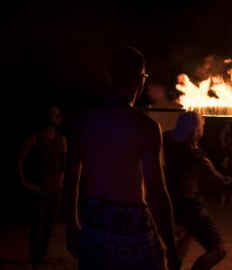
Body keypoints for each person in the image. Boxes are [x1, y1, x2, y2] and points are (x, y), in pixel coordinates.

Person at [64, 47, 180, 270]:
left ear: (110, 75)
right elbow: (156, 190)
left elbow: (70, 178)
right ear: (141, 79)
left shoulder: (84, 121)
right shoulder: (146, 127)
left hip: (95, 221)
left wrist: (72, 226)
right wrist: (172, 248)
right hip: (132, 227)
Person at [163, 112, 232, 269]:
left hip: (172, 201)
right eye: (202, 124)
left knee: (191, 233)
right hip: (189, 207)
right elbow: (228, 189)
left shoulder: (167, 139)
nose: (204, 124)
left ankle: (173, 265)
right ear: (196, 131)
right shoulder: (198, 161)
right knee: (218, 250)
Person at [17, 105, 67, 269]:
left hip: (55, 190)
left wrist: (62, 177)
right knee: (37, 225)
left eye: (58, 114)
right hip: (40, 190)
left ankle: (42, 256)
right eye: (54, 114)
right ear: (46, 116)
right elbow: (20, 159)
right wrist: (25, 182)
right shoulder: (36, 137)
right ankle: (35, 258)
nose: (57, 117)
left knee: (50, 225)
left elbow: (66, 162)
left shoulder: (61, 139)